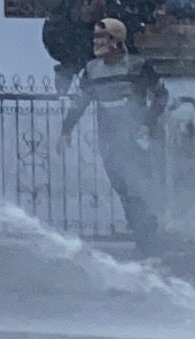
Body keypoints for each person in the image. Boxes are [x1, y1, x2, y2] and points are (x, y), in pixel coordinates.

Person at [61, 16, 169, 255]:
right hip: (108, 141)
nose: (97, 42)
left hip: (134, 139)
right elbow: (81, 102)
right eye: (95, 37)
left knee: (136, 189)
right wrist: (66, 130)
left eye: (103, 37)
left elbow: (161, 96)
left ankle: (149, 242)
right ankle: (145, 240)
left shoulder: (138, 66)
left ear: (117, 40)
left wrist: (146, 123)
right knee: (123, 190)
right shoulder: (91, 70)